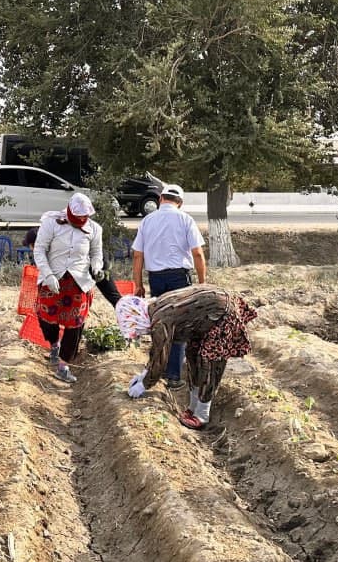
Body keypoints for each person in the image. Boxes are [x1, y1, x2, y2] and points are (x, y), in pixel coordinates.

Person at [121, 286, 258, 429]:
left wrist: (145, 383)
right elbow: (156, 352)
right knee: (192, 355)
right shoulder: (153, 308)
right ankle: (193, 407)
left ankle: (202, 415)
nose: (139, 333)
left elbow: (161, 357)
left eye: (135, 329)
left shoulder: (160, 322)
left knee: (209, 360)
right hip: (204, 317)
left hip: (221, 313)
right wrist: (145, 373)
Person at [131, 183, 205, 387]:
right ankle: (173, 375)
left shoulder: (147, 221)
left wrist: (138, 284)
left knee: (161, 323)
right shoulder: (185, 219)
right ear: (180, 203)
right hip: (179, 278)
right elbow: (197, 253)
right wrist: (202, 283)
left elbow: (138, 255)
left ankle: (159, 369)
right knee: (179, 324)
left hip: (156, 279)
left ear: (161, 198)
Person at [33, 193, 104, 384]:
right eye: (77, 217)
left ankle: (63, 366)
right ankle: (54, 344)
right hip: (53, 279)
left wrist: (97, 267)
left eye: (84, 218)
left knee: (75, 324)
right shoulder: (51, 223)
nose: (81, 220)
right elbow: (39, 250)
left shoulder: (95, 229)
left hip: (78, 282)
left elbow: (97, 253)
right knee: (47, 317)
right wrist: (48, 275)